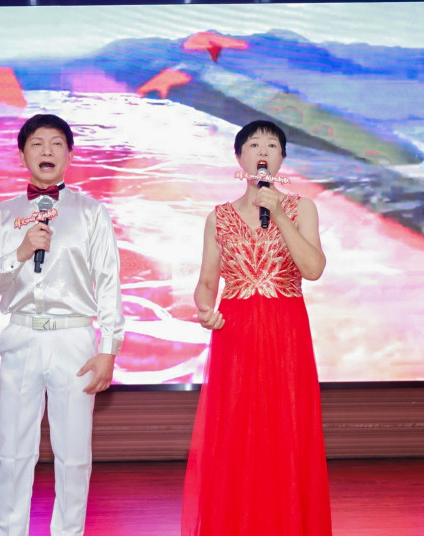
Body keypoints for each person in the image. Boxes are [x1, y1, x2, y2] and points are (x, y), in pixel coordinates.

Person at [0, 113, 124, 536]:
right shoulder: (2, 216)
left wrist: (108, 349)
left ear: (70, 156)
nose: (47, 151)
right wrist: (20, 253)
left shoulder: (91, 212)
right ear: (22, 155)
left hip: (74, 339)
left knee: (74, 455)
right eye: (37, 143)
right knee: (14, 452)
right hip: (20, 336)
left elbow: (109, 283)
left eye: (57, 144)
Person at [181, 120, 332, 535]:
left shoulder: (302, 208)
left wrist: (279, 214)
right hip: (236, 334)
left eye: (272, 145)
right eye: (253, 144)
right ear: (239, 157)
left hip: (286, 334)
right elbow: (207, 281)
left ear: (281, 159)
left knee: (287, 432)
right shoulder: (218, 217)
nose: (262, 151)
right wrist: (204, 308)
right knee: (236, 436)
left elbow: (313, 269)